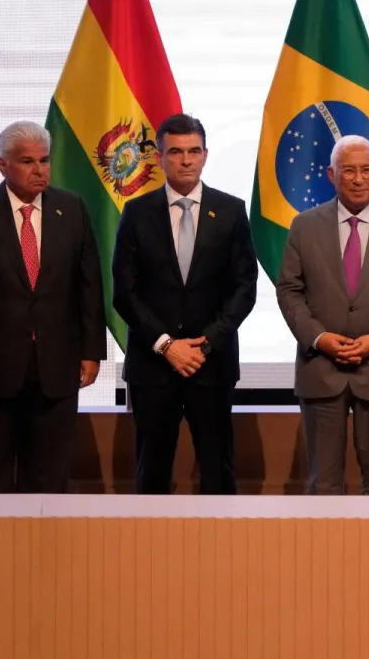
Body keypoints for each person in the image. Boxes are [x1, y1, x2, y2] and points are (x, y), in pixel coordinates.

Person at [0, 120, 106, 492]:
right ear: (2, 165)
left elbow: (89, 286)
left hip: (55, 369)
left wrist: (92, 351)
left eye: (44, 160)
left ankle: (44, 551)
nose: (39, 170)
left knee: (47, 479)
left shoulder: (72, 209)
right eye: (27, 161)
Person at [113, 113, 258, 494]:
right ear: (160, 158)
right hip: (153, 366)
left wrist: (205, 344)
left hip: (211, 365)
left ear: (206, 155)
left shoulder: (231, 210)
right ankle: (149, 552)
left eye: (194, 151)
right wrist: (166, 346)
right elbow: (124, 292)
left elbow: (244, 289)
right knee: (152, 471)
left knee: (217, 469)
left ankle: (220, 551)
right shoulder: (136, 212)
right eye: (176, 152)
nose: (186, 160)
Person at [276, 134, 369, 495]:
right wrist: (318, 337)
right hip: (321, 369)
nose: (358, 179)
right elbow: (289, 290)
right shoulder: (304, 225)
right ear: (331, 174)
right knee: (323, 483)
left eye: (366, 170)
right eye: (348, 171)